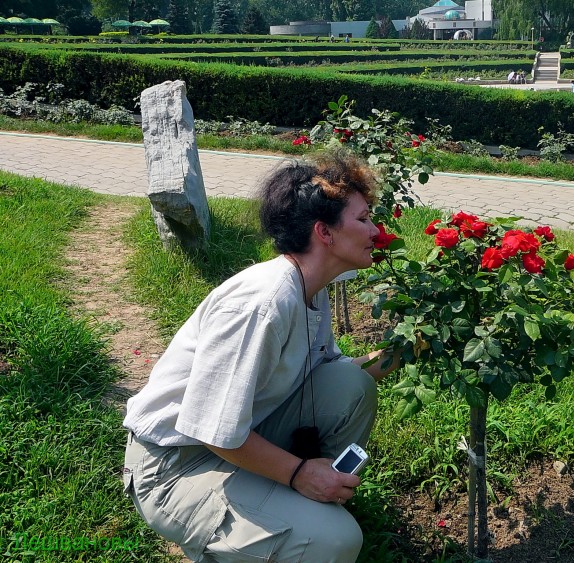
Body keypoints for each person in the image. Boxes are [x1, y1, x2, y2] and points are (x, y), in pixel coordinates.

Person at [122, 151, 401, 562]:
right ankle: (273, 534)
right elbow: (213, 430)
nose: (376, 230)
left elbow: (329, 372)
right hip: (174, 466)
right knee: (336, 541)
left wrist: (410, 347)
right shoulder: (263, 302)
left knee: (350, 385)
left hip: (233, 435)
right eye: (363, 220)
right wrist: (298, 473)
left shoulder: (310, 289)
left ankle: (293, 510)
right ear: (324, 232)